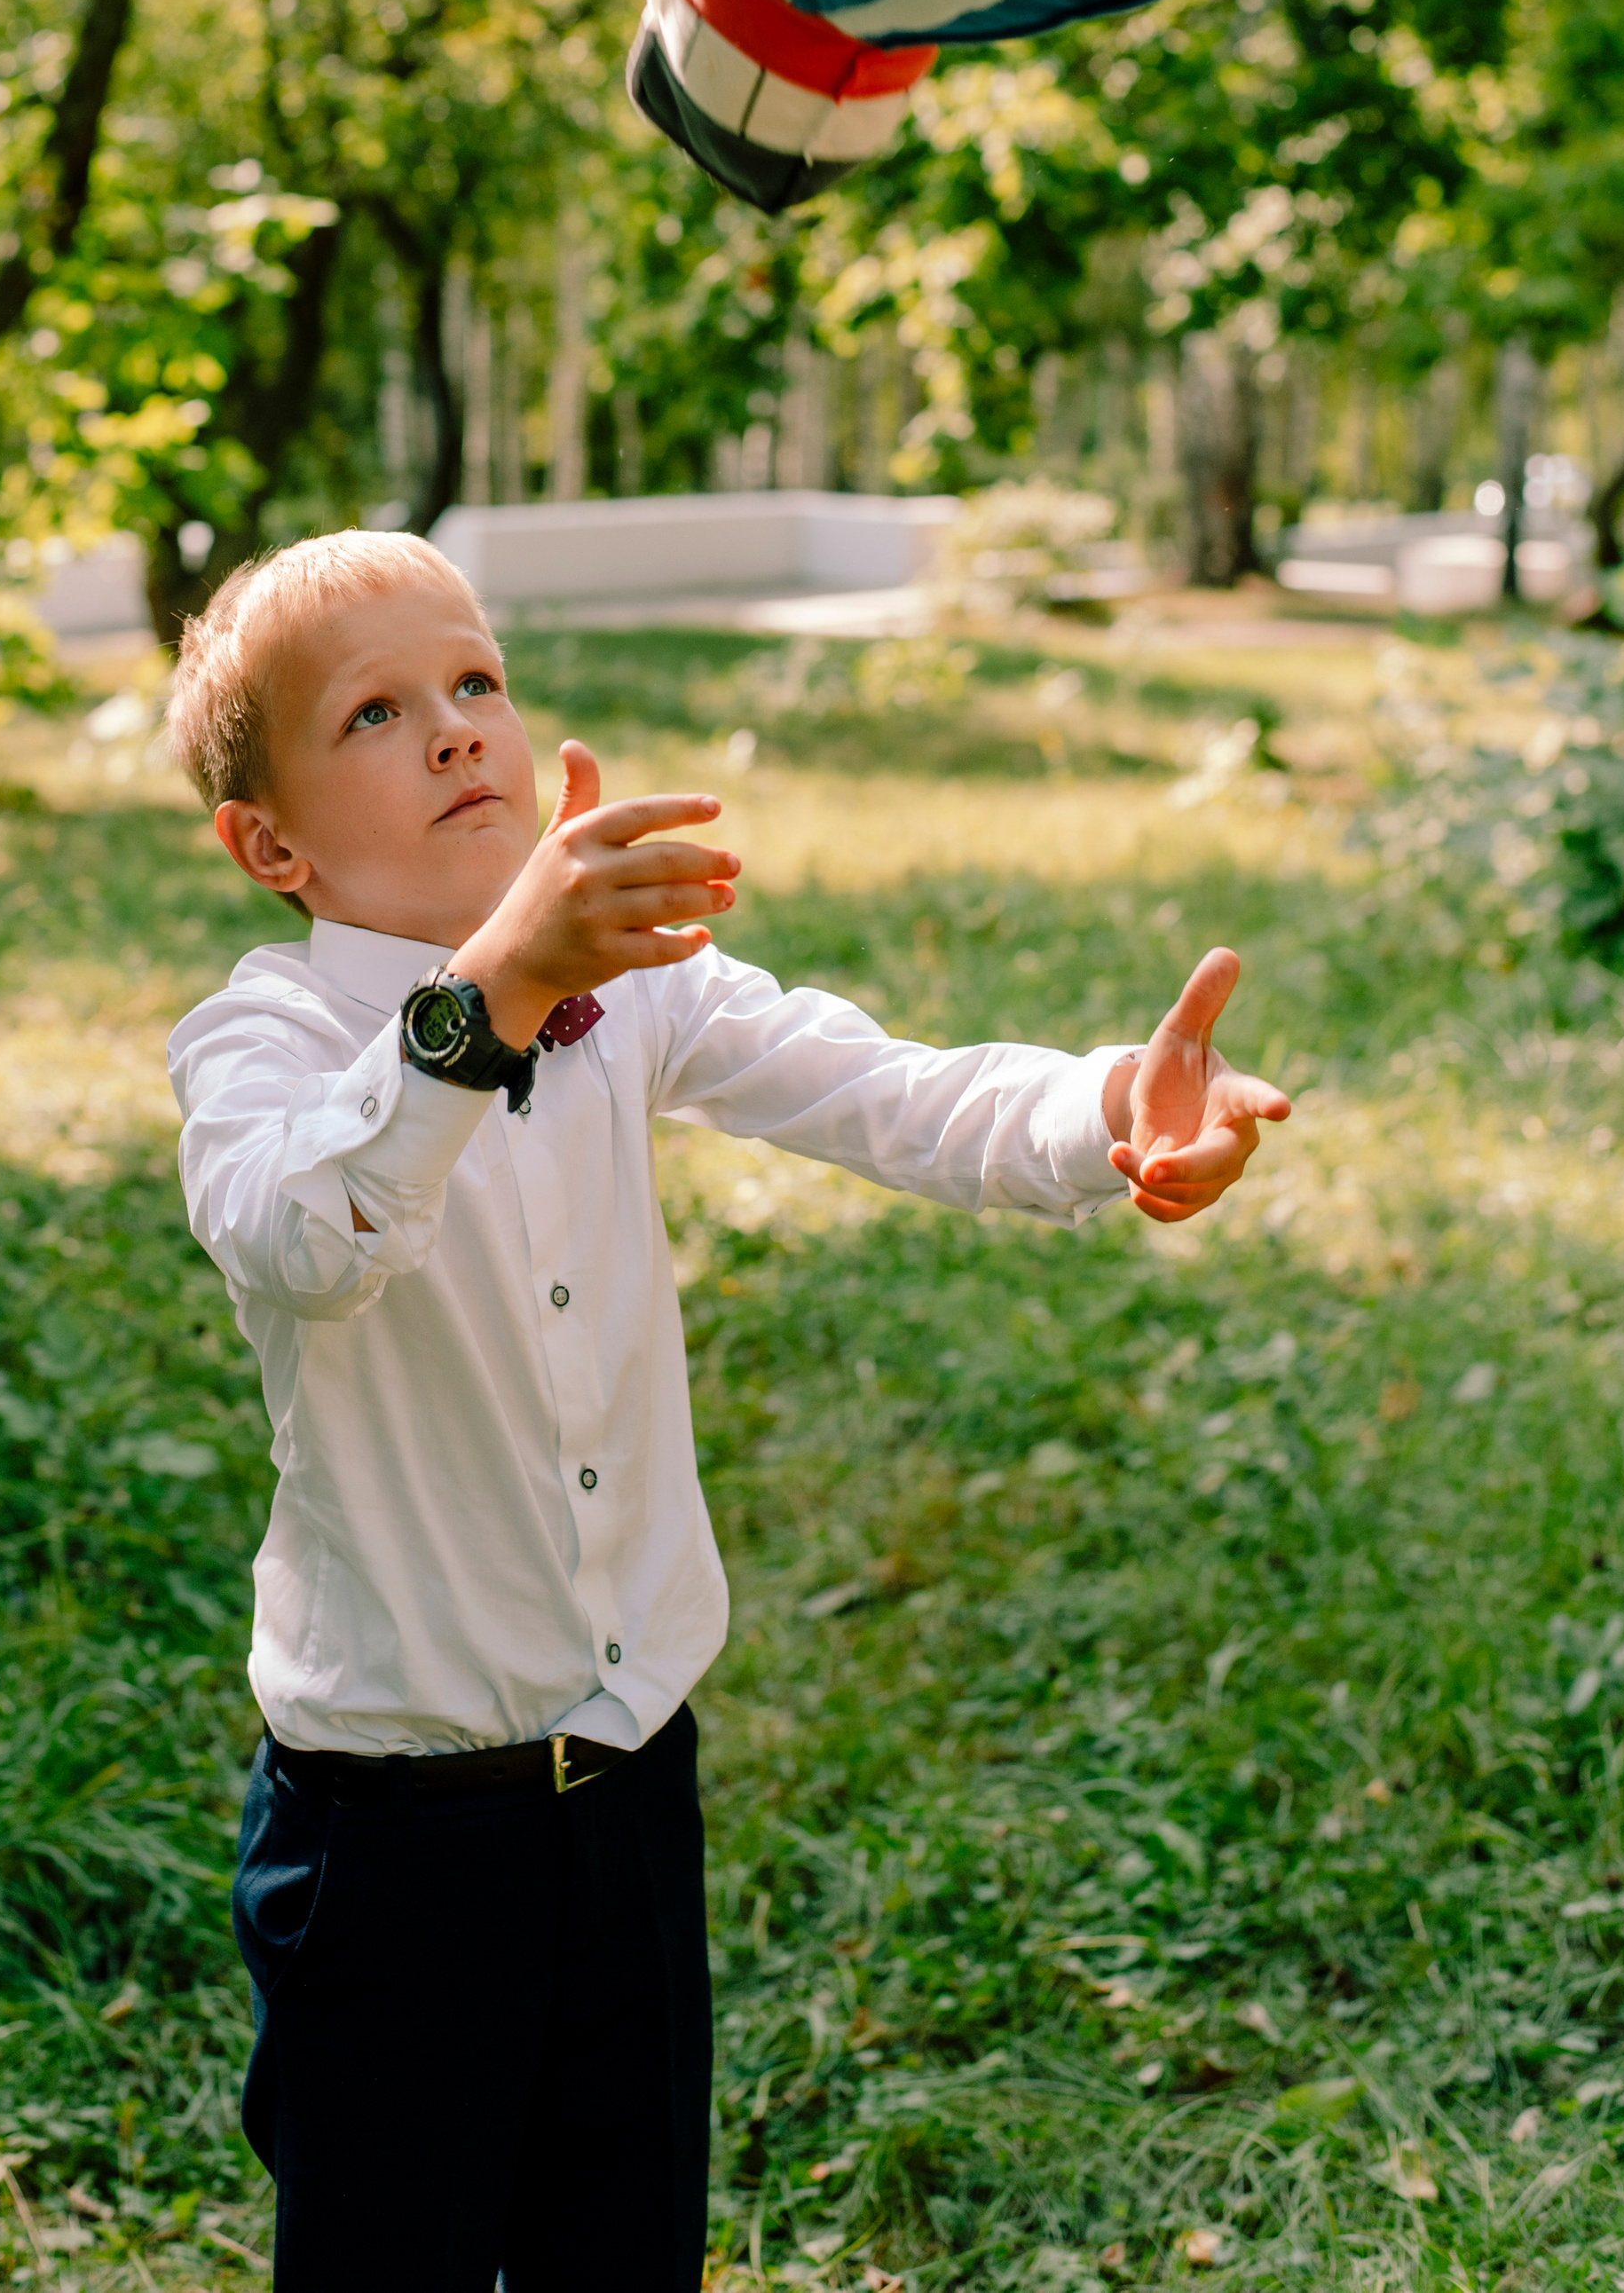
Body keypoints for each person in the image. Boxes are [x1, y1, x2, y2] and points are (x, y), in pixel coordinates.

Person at [163, 528, 1289, 2293]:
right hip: (392, 1837)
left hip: (625, 1778)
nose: (457, 732)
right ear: (271, 845)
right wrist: (492, 992)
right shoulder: (263, 1048)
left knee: (621, 2250)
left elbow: (888, 1095)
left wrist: (1101, 1117)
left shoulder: (636, 997)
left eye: (475, 682)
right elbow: (306, 1235)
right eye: (373, 712)